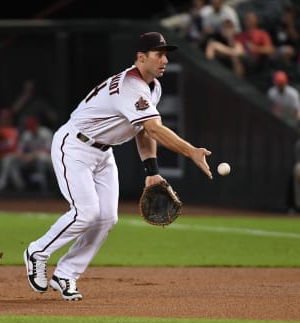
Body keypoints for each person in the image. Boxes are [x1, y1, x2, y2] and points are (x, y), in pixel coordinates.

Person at [23, 32, 212, 301]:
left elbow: (142, 131)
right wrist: (191, 151)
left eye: (166, 54)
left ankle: (67, 273)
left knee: (107, 218)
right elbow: (154, 129)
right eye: (159, 54)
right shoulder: (131, 86)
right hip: (74, 146)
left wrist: (152, 172)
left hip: (102, 153)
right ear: (141, 57)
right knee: (85, 212)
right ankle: (37, 252)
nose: (165, 59)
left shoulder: (152, 87)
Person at [17, 115, 54, 193]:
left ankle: (44, 187)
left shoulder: (45, 132)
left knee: (41, 158)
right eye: (30, 127)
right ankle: (20, 187)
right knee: (12, 160)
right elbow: (19, 151)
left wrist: (33, 155)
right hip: (30, 159)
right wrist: (22, 156)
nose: (32, 129)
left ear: (37, 125)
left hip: (47, 158)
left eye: (33, 126)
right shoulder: (26, 135)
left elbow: (49, 150)